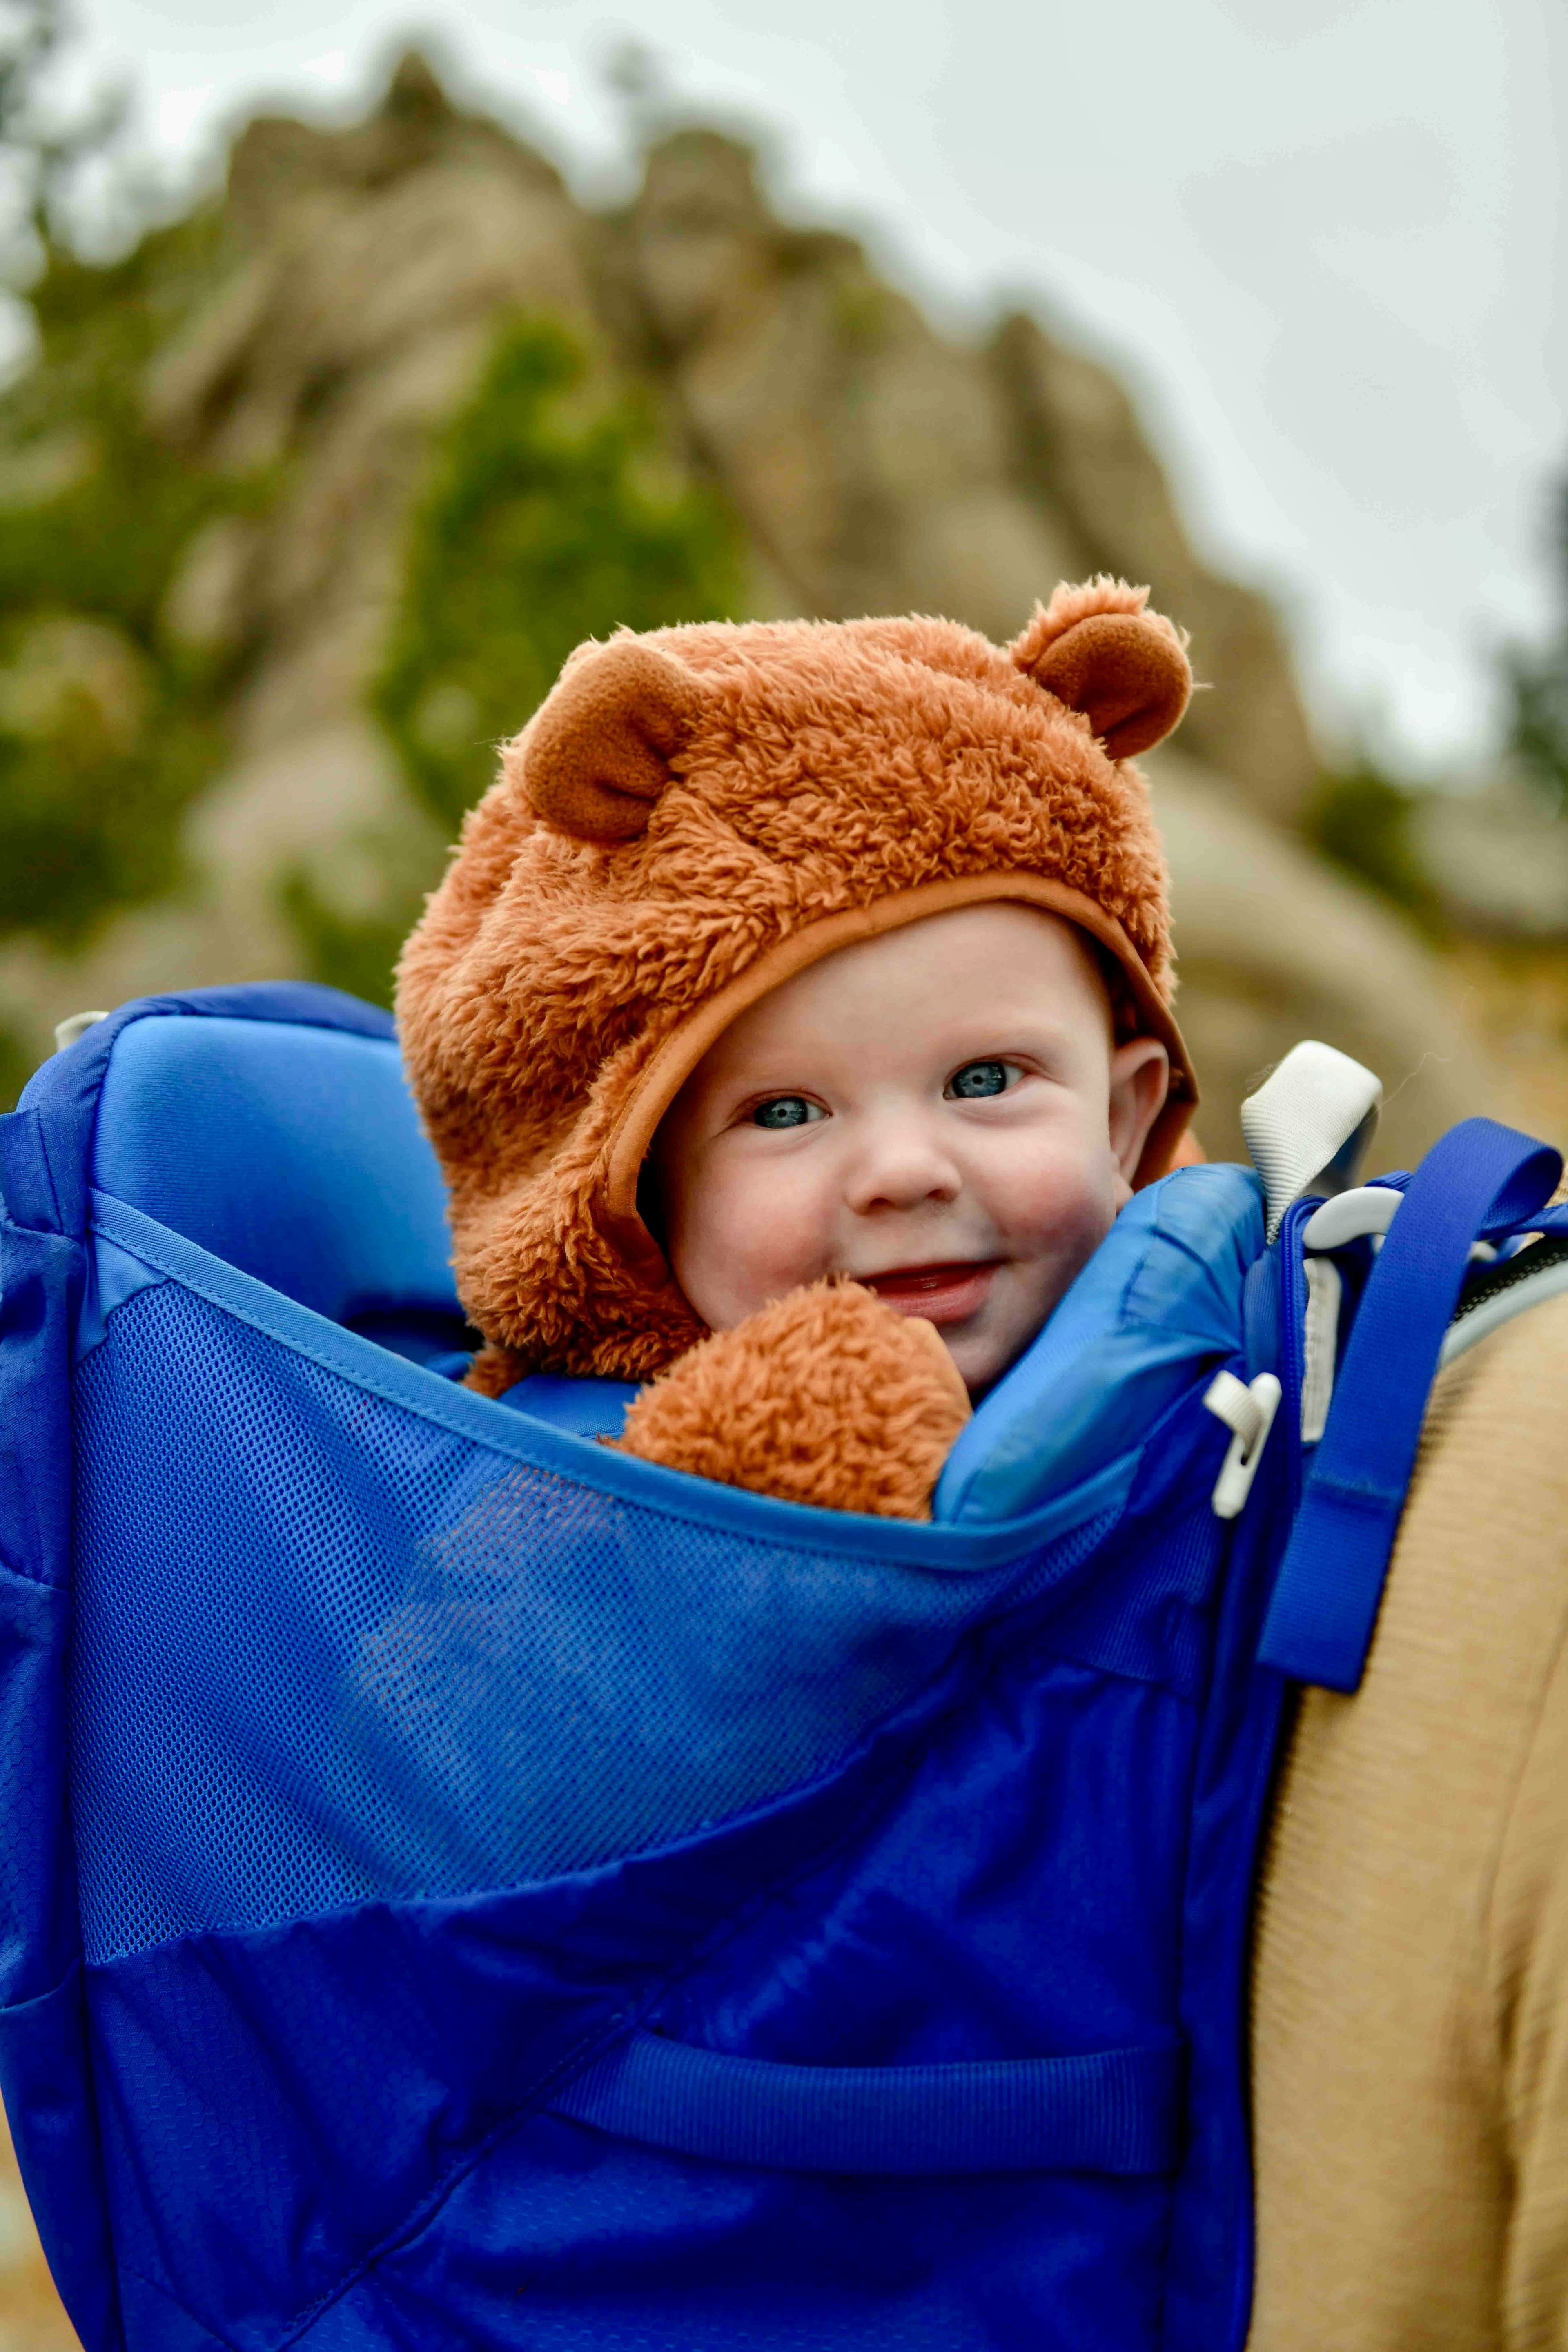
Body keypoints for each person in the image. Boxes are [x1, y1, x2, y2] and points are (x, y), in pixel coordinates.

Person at [396, 574, 1197, 1516]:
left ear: (1125, 1116)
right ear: (629, 1196)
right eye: (784, 1111)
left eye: (983, 1080)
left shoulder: (1217, 1344)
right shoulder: (573, 1499)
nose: (903, 1172)